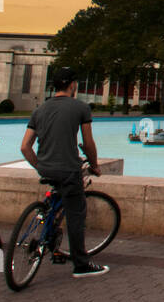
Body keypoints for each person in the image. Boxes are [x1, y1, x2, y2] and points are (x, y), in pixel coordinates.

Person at [20, 68, 108, 278]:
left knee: (56, 204)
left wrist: (39, 166)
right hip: (68, 169)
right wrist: (94, 165)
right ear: (72, 85)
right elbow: (87, 143)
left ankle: (52, 244)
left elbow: (25, 147)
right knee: (76, 216)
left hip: (45, 167)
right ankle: (81, 265)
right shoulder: (81, 107)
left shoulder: (39, 110)